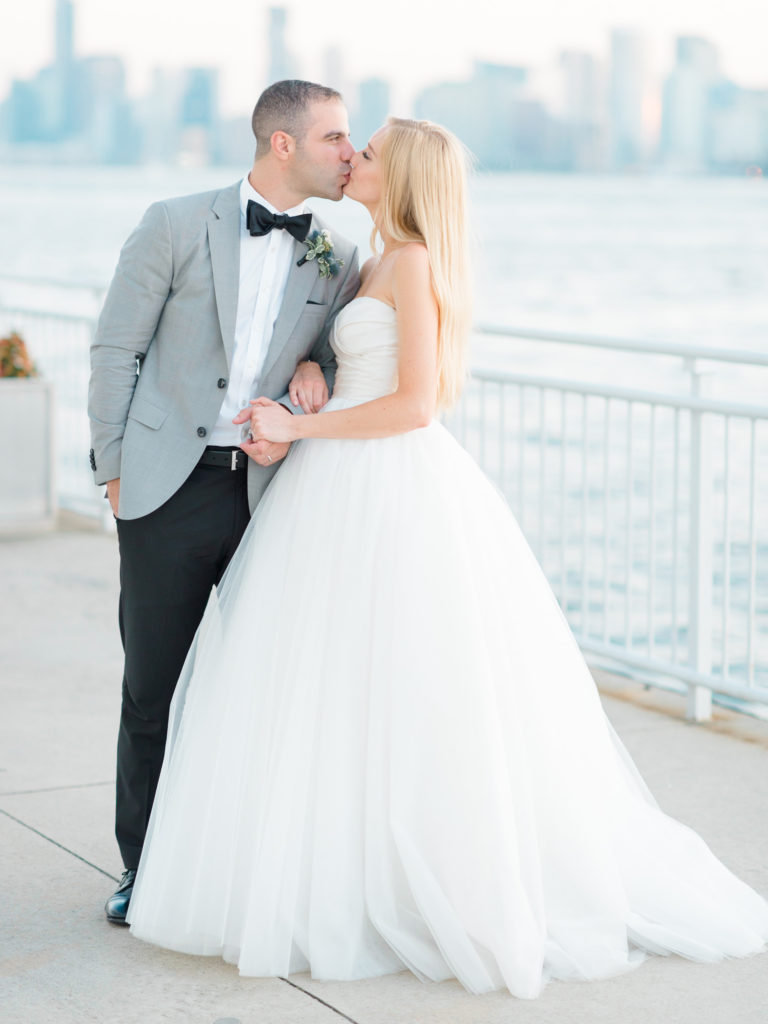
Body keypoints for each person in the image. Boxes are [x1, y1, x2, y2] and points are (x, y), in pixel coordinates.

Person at [126, 118, 768, 998]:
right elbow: (340, 355)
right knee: (333, 694)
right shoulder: (365, 257)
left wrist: (298, 423)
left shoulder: (416, 262)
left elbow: (415, 406)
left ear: (406, 177)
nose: (356, 158)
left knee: (411, 694)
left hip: (389, 486)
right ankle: (343, 871)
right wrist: (311, 376)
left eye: (373, 151)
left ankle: (412, 881)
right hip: (332, 488)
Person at [88, 80, 360, 925]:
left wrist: (323, 371)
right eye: (335, 138)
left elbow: (341, 359)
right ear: (283, 144)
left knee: (255, 688)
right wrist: (114, 470)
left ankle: (235, 870)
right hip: (166, 487)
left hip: (271, 494)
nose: (349, 154)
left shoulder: (340, 256)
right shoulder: (174, 221)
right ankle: (144, 870)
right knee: (151, 689)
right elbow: (115, 348)